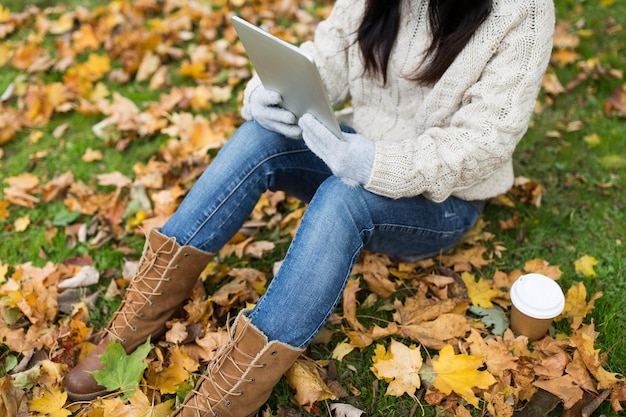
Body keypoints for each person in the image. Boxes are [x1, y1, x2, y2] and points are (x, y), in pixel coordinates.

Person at [63, 0, 555, 415]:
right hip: (357, 150)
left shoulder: (525, 11)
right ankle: (135, 325)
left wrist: (379, 163)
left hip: (442, 200)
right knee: (261, 133)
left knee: (344, 199)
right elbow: (327, 60)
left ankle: (232, 393)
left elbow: (484, 142)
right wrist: (266, 96)